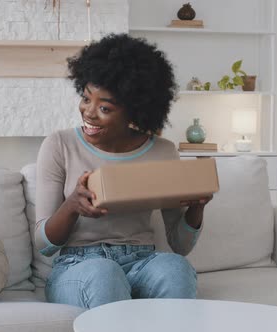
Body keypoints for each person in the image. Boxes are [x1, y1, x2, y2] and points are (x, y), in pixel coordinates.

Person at [35, 33, 213, 309]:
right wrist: (72, 206)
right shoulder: (60, 145)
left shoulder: (162, 152)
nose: (88, 113)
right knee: (104, 273)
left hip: (142, 262)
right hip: (78, 266)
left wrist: (197, 208)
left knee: (175, 267)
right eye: (85, 98)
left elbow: (180, 244)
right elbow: (44, 244)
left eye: (104, 107)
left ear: (134, 112)